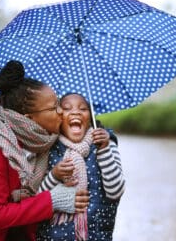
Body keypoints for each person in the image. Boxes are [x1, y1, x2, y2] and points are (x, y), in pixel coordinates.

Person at [0, 60, 89, 241]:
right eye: (54, 107)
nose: (61, 112)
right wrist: (52, 200)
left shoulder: (40, 142)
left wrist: (103, 137)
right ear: (29, 119)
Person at [36, 93, 125, 241]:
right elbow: (36, 201)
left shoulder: (106, 144)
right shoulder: (47, 148)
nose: (76, 112)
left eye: (83, 109)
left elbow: (116, 192)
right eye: (66, 108)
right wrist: (54, 176)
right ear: (58, 117)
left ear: (90, 118)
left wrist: (104, 150)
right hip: (51, 236)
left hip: (97, 235)